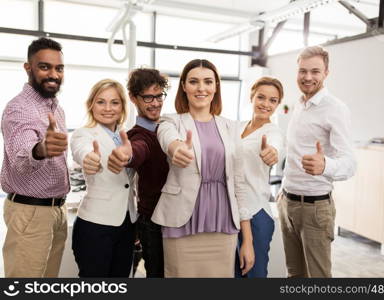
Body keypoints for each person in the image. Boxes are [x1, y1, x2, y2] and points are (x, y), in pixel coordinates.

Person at [151, 59, 254, 278]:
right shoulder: (170, 121)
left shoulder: (230, 127)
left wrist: (248, 240)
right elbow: (168, 139)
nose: (201, 88)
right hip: (181, 224)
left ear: (216, 87)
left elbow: (238, 184)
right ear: (184, 86)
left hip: (224, 224)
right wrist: (176, 148)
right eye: (194, 81)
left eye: (208, 82)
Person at [278, 46, 356, 278]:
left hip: (314, 208)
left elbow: (350, 163)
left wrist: (326, 166)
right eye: (303, 71)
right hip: (287, 203)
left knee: (318, 279)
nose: (308, 77)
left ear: (326, 73)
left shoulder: (335, 109)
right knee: (294, 275)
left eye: (315, 71)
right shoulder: (299, 105)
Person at [1, 37, 68, 277]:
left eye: (59, 68)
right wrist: (40, 149)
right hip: (30, 212)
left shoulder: (55, 108)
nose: (54, 74)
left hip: (56, 210)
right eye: (45, 67)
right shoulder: (19, 108)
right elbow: (20, 157)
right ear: (28, 68)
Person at [70, 79, 138, 277]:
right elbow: (81, 151)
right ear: (91, 105)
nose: (108, 108)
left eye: (114, 102)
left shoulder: (127, 137)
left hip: (126, 223)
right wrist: (89, 159)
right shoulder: (83, 134)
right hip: (95, 225)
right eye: (101, 102)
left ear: (123, 106)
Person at [107, 68, 169, 278]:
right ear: (134, 98)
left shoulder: (169, 127)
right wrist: (127, 155)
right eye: (148, 97)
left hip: (176, 217)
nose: (155, 103)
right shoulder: (138, 136)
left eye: (159, 96)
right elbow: (138, 150)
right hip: (152, 221)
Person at [235, 76, 284, 278]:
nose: (266, 104)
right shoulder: (237, 127)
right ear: (251, 97)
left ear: (277, 104)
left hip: (256, 214)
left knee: (254, 275)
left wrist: (272, 152)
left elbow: (275, 148)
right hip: (232, 212)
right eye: (261, 97)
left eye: (273, 100)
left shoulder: (273, 132)